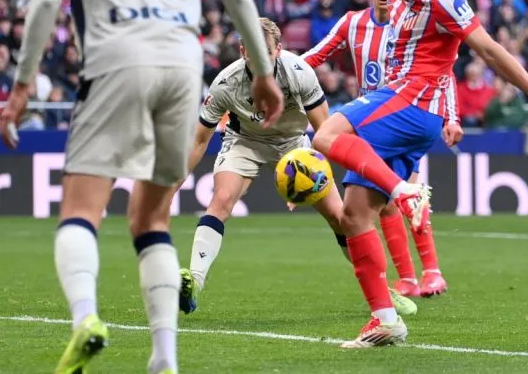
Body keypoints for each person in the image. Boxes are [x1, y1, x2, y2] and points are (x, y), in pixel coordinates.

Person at [0, 0, 284, 374]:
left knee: (81, 209)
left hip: (115, 56)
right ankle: (164, 359)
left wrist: (23, 83)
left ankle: (84, 319)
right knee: (150, 217)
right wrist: (265, 74)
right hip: (183, 64)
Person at [251, 0, 528, 347]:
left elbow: (489, 47)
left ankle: (405, 193)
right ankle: (385, 320)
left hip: (413, 102)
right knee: (355, 215)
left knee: (326, 134)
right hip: (409, 112)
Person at [179, 17, 419, 316]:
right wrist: (174, 180)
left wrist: (309, 180)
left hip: (294, 145)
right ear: (243, 51)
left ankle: (383, 291)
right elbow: (200, 140)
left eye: (264, 51)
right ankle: (193, 282)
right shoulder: (225, 84)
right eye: (251, 51)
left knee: (341, 217)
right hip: (245, 141)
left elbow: (326, 134)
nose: (258, 59)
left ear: (278, 50)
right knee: (221, 201)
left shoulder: (299, 74)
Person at [253, 0, 456, 298]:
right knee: (382, 204)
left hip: (404, 115)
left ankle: (431, 273)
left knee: (405, 190)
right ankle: (406, 280)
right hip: (367, 122)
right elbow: (313, 58)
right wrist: (273, 79)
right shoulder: (351, 24)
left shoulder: (410, 24)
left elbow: (442, 68)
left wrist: (452, 115)